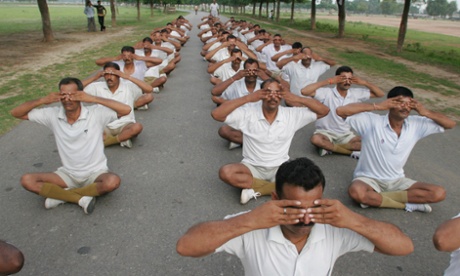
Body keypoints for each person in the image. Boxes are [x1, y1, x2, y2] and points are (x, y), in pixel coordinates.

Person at [176, 158, 414, 275]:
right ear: (275, 199)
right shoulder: (252, 224)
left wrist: (353, 219)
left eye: (313, 206)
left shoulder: (335, 225)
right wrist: (247, 221)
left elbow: (403, 247)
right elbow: (186, 246)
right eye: (295, 208)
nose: (306, 219)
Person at [10, 77, 131, 214]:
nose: (67, 99)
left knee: (112, 182)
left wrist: (93, 99)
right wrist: (42, 100)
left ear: (81, 94)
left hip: (95, 173)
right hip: (67, 174)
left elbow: (126, 110)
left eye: (72, 95)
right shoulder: (53, 115)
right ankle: (78, 198)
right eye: (63, 95)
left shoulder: (95, 113)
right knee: (27, 180)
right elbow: (16, 113)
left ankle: (61, 196)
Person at [336, 86, 456, 212]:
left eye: (409, 104)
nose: (405, 107)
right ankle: (406, 204)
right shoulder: (372, 121)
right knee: (357, 192)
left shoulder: (416, 124)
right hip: (368, 179)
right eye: (400, 103)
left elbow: (450, 124)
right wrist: (377, 106)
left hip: (397, 180)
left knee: (438, 193)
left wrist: (425, 112)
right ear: (390, 103)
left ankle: (376, 199)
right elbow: (341, 111)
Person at [211, 79, 329, 204]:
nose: (273, 96)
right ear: (260, 94)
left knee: (306, 179)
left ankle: (257, 189)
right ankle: (277, 188)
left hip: (280, 167)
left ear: (282, 95)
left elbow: (324, 111)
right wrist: (248, 98)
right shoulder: (248, 112)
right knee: (226, 172)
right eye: (268, 92)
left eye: (277, 92)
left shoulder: (291, 115)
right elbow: (217, 114)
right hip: (252, 167)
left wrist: (295, 98)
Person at [301, 66, 384, 158]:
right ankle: (350, 153)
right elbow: (304, 91)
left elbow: (380, 94)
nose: (347, 81)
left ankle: (330, 148)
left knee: (372, 141)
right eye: (344, 78)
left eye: (350, 79)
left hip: (345, 135)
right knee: (316, 140)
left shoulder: (355, 93)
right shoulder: (327, 93)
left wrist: (364, 82)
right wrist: (328, 81)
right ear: (336, 79)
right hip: (325, 133)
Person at [83, 62, 153, 148]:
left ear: (119, 74)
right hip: (105, 125)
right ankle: (122, 139)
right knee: (86, 132)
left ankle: (109, 141)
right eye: (106, 74)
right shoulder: (97, 86)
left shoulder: (128, 86)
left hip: (125, 124)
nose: (109, 77)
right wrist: (95, 77)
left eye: (112, 74)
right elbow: (75, 90)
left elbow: (149, 89)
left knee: (137, 127)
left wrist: (127, 77)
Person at [95, 46, 162, 103]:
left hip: (136, 91)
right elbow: (98, 62)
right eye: (124, 56)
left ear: (133, 55)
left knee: (149, 97)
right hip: (121, 91)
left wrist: (140, 57)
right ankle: (130, 106)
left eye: (129, 56)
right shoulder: (117, 65)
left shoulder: (140, 65)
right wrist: (115, 58)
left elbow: (159, 61)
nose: (127, 58)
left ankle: (128, 106)